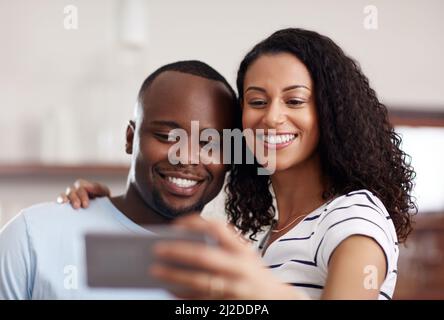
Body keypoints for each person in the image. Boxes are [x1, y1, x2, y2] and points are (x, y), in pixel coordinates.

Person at [63, 28, 416, 300]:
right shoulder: (266, 237)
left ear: (330, 114)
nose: (273, 117)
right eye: (257, 101)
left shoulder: (354, 217)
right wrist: (109, 210)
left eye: (294, 100)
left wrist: (262, 289)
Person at [0, 60, 239, 299]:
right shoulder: (33, 236)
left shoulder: (234, 272)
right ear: (130, 138)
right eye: (167, 136)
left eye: (210, 143)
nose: (185, 157)